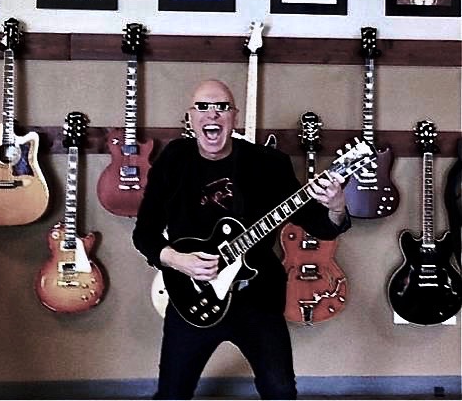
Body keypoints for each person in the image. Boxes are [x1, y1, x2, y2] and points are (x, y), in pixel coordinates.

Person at [133, 79, 351, 400]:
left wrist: (336, 206)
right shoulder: (173, 161)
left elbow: (321, 225)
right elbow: (145, 234)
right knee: (172, 392)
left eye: (222, 107)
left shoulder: (268, 164)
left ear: (234, 117)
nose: (213, 115)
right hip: (191, 295)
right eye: (203, 107)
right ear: (190, 118)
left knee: (280, 390)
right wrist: (179, 260)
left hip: (257, 300)